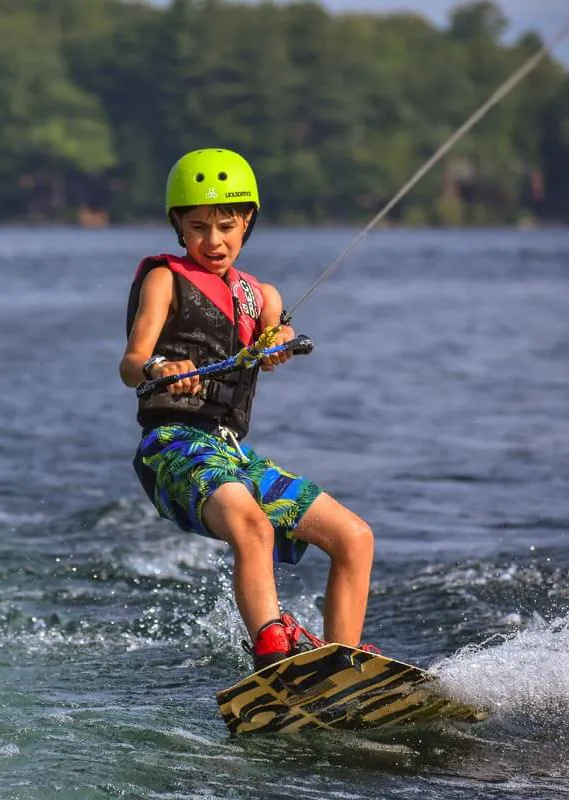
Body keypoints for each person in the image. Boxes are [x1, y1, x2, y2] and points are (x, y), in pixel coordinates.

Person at [120, 148, 377, 672]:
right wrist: (158, 369)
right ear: (177, 226)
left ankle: (340, 663)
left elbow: (272, 335)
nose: (212, 241)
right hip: (174, 447)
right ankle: (272, 653)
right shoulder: (164, 280)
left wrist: (279, 339)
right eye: (197, 227)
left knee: (354, 536)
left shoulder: (260, 297)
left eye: (226, 226)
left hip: (235, 453)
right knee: (252, 525)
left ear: (247, 223)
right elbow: (130, 362)